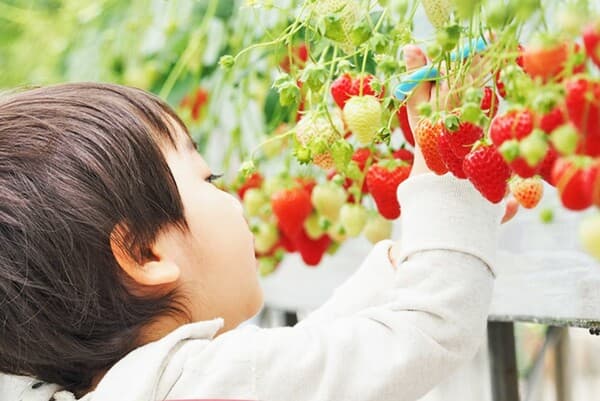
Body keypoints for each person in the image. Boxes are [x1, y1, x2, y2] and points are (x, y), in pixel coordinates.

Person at [0, 46, 511, 401]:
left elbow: (309, 361)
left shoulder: (137, 387)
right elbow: (430, 329)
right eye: (208, 178)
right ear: (144, 254)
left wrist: (411, 257)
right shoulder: (207, 383)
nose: (234, 197)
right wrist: (449, 172)